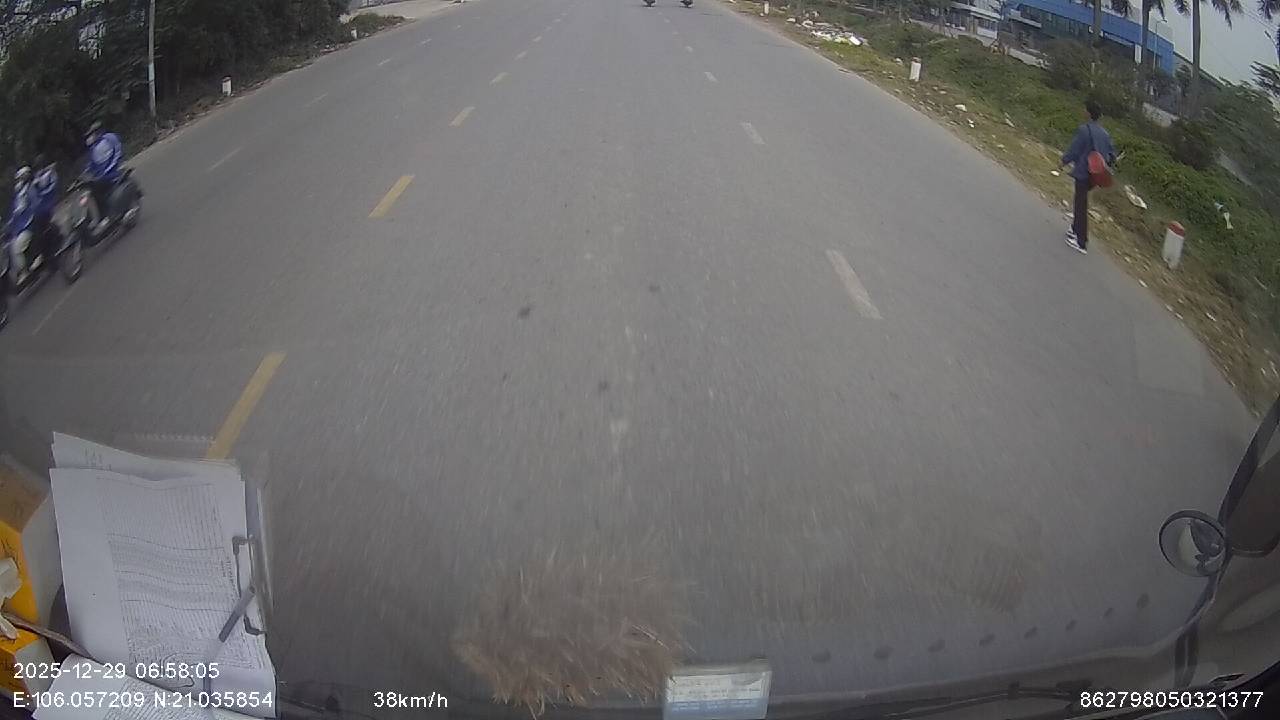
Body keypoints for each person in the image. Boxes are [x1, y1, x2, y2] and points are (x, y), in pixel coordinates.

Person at [1059, 100, 1116, 255]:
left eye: (1085, 109)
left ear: (1089, 113)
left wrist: (1063, 162)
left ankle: (1081, 241)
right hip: (1096, 175)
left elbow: (1074, 150)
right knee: (1081, 201)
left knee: (1080, 205)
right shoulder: (1105, 134)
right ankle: (1074, 229)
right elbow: (1111, 155)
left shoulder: (1084, 130)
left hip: (1083, 172)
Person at [84, 120, 124, 232]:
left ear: (98, 132)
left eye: (93, 133)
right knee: (88, 188)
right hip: (101, 177)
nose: (91, 137)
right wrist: (83, 176)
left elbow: (117, 154)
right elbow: (91, 165)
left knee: (96, 190)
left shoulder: (111, 138)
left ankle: (106, 217)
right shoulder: (94, 147)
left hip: (112, 174)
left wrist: (105, 172)